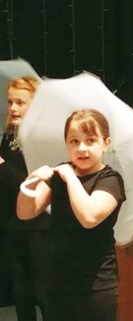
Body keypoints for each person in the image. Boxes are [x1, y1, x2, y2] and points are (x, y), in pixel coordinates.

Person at [16, 109, 126, 321]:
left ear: (106, 142)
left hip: (96, 284)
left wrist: (71, 177)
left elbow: (89, 217)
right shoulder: (60, 174)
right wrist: (30, 182)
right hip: (57, 280)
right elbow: (25, 212)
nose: (81, 148)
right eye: (74, 141)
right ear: (66, 143)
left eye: (90, 140)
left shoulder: (110, 179)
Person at [0, 77, 50, 321]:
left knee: (43, 289)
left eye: (20, 102)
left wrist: (0, 166)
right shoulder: (9, 133)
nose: (13, 108)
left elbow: (32, 184)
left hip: (38, 224)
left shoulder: (43, 137)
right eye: (10, 102)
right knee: (20, 290)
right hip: (9, 221)